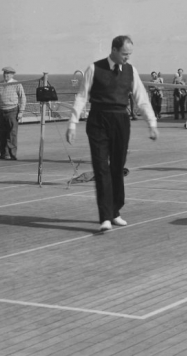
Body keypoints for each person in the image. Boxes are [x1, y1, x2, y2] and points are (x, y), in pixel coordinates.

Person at [66, 36, 158, 232]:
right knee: (101, 168)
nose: (127, 58)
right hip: (98, 120)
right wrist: (72, 124)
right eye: (124, 54)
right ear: (114, 50)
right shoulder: (94, 68)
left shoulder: (131, 71)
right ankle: (105, 217)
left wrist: (151, 122)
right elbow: (82, 96)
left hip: (120, 121)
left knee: (117, 167)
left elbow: (141, 98)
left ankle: (115, 211)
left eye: (129, 54)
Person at [0, 66, 26, 160]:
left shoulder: (17, 84)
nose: (5, 75)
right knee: (2, 133)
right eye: (4, 73)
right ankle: (3, 154)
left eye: (7, 73)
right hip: (1, 111)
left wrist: (21, 112)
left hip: (13, 111)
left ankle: (12, 155)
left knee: (12, 133)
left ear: (12, 74)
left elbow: (23, 98)